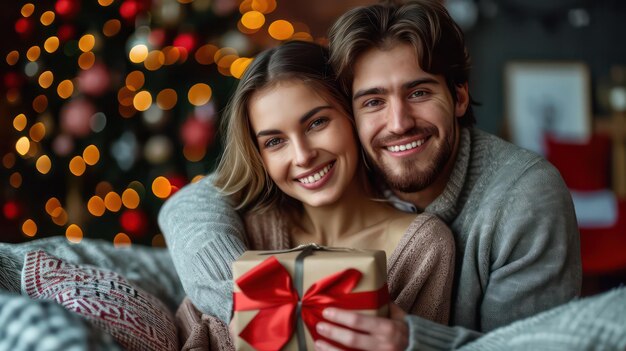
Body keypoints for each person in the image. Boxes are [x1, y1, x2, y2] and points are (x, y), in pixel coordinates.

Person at [159, 0, 581, 349]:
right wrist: (246, 298)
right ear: (352, 111)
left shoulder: (523, 196)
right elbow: (193, 203)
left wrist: (410, 341)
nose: (398, 123)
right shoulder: (336, 169)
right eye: (373, 101)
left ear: (458, 96)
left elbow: (535, 344)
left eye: (419, 92)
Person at [170, 40, 456, 349]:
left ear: (352, 115)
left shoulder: (425, 246)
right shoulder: (247, 231)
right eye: (275, 142)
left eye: (317, 123)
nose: (303, 156)